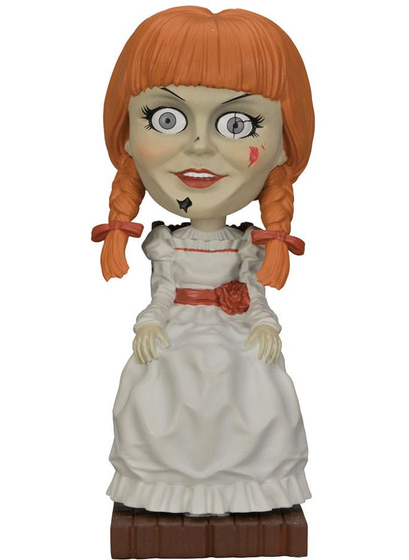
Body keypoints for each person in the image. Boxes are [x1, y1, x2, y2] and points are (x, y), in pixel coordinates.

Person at [92, 6, 314, 515]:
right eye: (165, 119)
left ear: (283, 145)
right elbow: (163, 291)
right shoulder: (166, 244)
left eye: (237, 124)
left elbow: (253, 291)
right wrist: (149, 323)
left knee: (255, 389)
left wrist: (265, 322)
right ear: (127, 137)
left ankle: (249, 488)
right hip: (178, 330)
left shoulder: (246, 245)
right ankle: (164, 487)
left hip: (235, 333)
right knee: (159, 389)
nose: (198, 145)